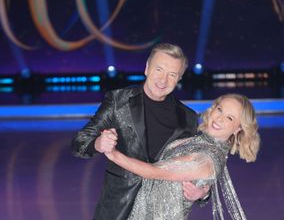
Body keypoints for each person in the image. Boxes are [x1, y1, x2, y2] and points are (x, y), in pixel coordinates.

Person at [71, 43, 209, 220]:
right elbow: (78, 143)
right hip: (120, 209)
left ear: (179, 79)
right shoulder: (118, 101)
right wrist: (98, 143)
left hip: (163, 211)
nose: (163, 79)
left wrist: (203, 192)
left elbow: (195, 168)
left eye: (172, 74)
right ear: (146, 68)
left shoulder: (187, 118)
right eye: (159, 69)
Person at [104, 93, 260, 220]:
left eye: (230, 118)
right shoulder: (198, 137)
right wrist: (204, 193)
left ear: (238, 128)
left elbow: (153, 172)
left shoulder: (206, 158)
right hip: (136, 208)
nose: (219, 118)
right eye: (220, 109)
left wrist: (113, 154)